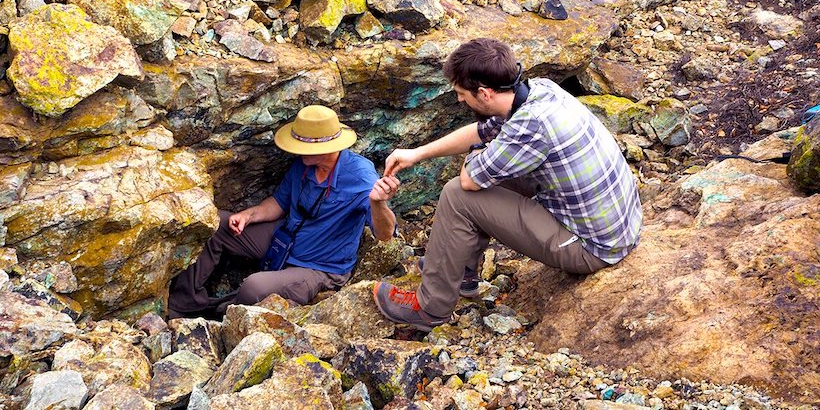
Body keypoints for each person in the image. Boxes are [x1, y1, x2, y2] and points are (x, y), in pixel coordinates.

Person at [372, 38, 643, 331]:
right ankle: (458, 269)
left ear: (484, 93)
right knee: (491, 176)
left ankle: (430, 308)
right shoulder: (539, 90)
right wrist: (418, 153)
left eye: (462, 93)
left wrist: (478, 154)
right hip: (619, 226)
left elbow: (469, 180)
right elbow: (482, 131)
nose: (459, 100)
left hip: (593, 247)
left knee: (457, 195)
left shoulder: (531, 126)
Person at [169, 105, 400, 318]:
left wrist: (378, 203)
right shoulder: (304, 163)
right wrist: (248, 216)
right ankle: (183, 305)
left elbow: (384, 234)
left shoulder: (360, 177)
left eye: (303, 147)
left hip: (319, 267)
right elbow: (279, 203)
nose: (297, 152)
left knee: (254, 287)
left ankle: (218, 314)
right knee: (216, 223)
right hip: (285, 238)